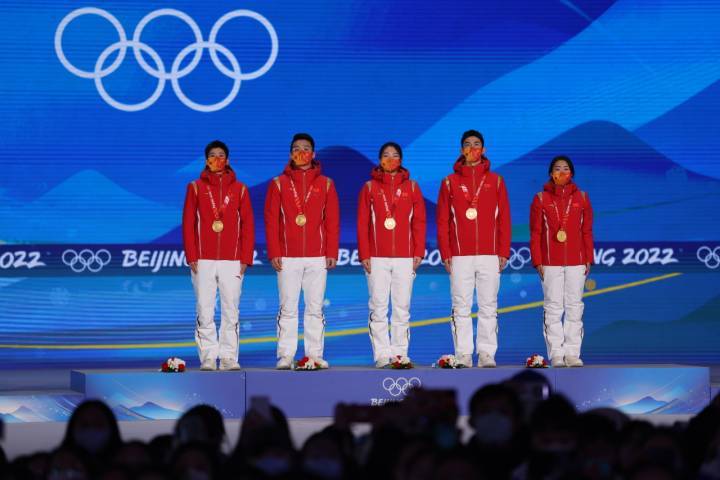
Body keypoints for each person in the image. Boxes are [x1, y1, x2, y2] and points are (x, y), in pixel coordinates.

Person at [436, 130, 511, 368]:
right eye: (467, 145)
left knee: (489, 305)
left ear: (484, 149)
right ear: (461, 150)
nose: (472, 148)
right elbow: (442, 221)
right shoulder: (449, 182)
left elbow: (504, 220)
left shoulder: (496, 181)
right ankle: (464, 354)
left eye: (477, 144)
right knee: (461, 306)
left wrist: (503, 251)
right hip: (460, 255)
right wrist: (446, 252)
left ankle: (487, 353)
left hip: (489, 254)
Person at [264, 133, 340, 369]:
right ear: (290, 154)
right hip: (287, 255)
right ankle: (286, 355)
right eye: (296, 149)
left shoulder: (326, 184)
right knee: (287, 307)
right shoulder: (278, 183)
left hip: (317, 256)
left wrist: (331, 252)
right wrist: (275, 251)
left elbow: (332, 221)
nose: (301, 152)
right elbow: (271, 220)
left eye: (306, 148)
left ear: (314, 154)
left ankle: (314, 355)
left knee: (315, 308)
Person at [182, 140, 255, 371]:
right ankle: (207, 357)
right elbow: (188, 224)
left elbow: (248, 225)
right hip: (202, 259)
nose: (217, 159)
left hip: (232, 259)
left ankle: (228, 357)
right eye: (212, 155)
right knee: (204, 308)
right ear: (206, 161)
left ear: (228, 160)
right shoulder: (195, 187)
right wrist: (192, 254)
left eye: (221, 155)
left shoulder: (240, 189)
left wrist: (245, 258)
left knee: (230, 309)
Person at [357, 142, 426, 368]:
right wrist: (365, 253)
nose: (390, 158)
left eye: (395, 155)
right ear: (379, 160)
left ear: (401, 160)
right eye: (386, 155)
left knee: (401, 307)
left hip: (405, 257)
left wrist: (418, 252)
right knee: (378, 307)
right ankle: (381, 354)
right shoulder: (369, 187)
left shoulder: (412, 187)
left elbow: (419, 223)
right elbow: (362, 224)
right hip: (376, 257)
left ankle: (399, 354)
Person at [529, 155, 593, 368]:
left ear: (572, 173)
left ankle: (573, 353)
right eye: (557, 168)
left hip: (577, 260)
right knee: (553, 307)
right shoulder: (541, 199)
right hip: (550, 262)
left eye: (566, 168)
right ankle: (556, 353)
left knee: (575, 307)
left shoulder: (582, 198)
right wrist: (537, 260)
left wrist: (588, 258)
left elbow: (587, 231)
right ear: (551, 173)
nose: (562, 172)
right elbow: (536, 233)